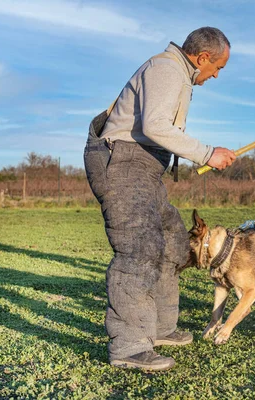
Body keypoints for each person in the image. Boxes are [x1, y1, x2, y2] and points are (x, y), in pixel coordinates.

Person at [84, 27, 236, 370]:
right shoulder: (167, 68)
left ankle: (161, 328)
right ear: (203, 58)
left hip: (144, 169)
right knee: (139, 248)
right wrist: (207, 153)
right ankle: (129, 346)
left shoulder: (176, 73)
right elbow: (154, 126)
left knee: (172, 243)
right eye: (218, 68)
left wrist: (205, 153)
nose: (216, 76)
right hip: (122, 162)